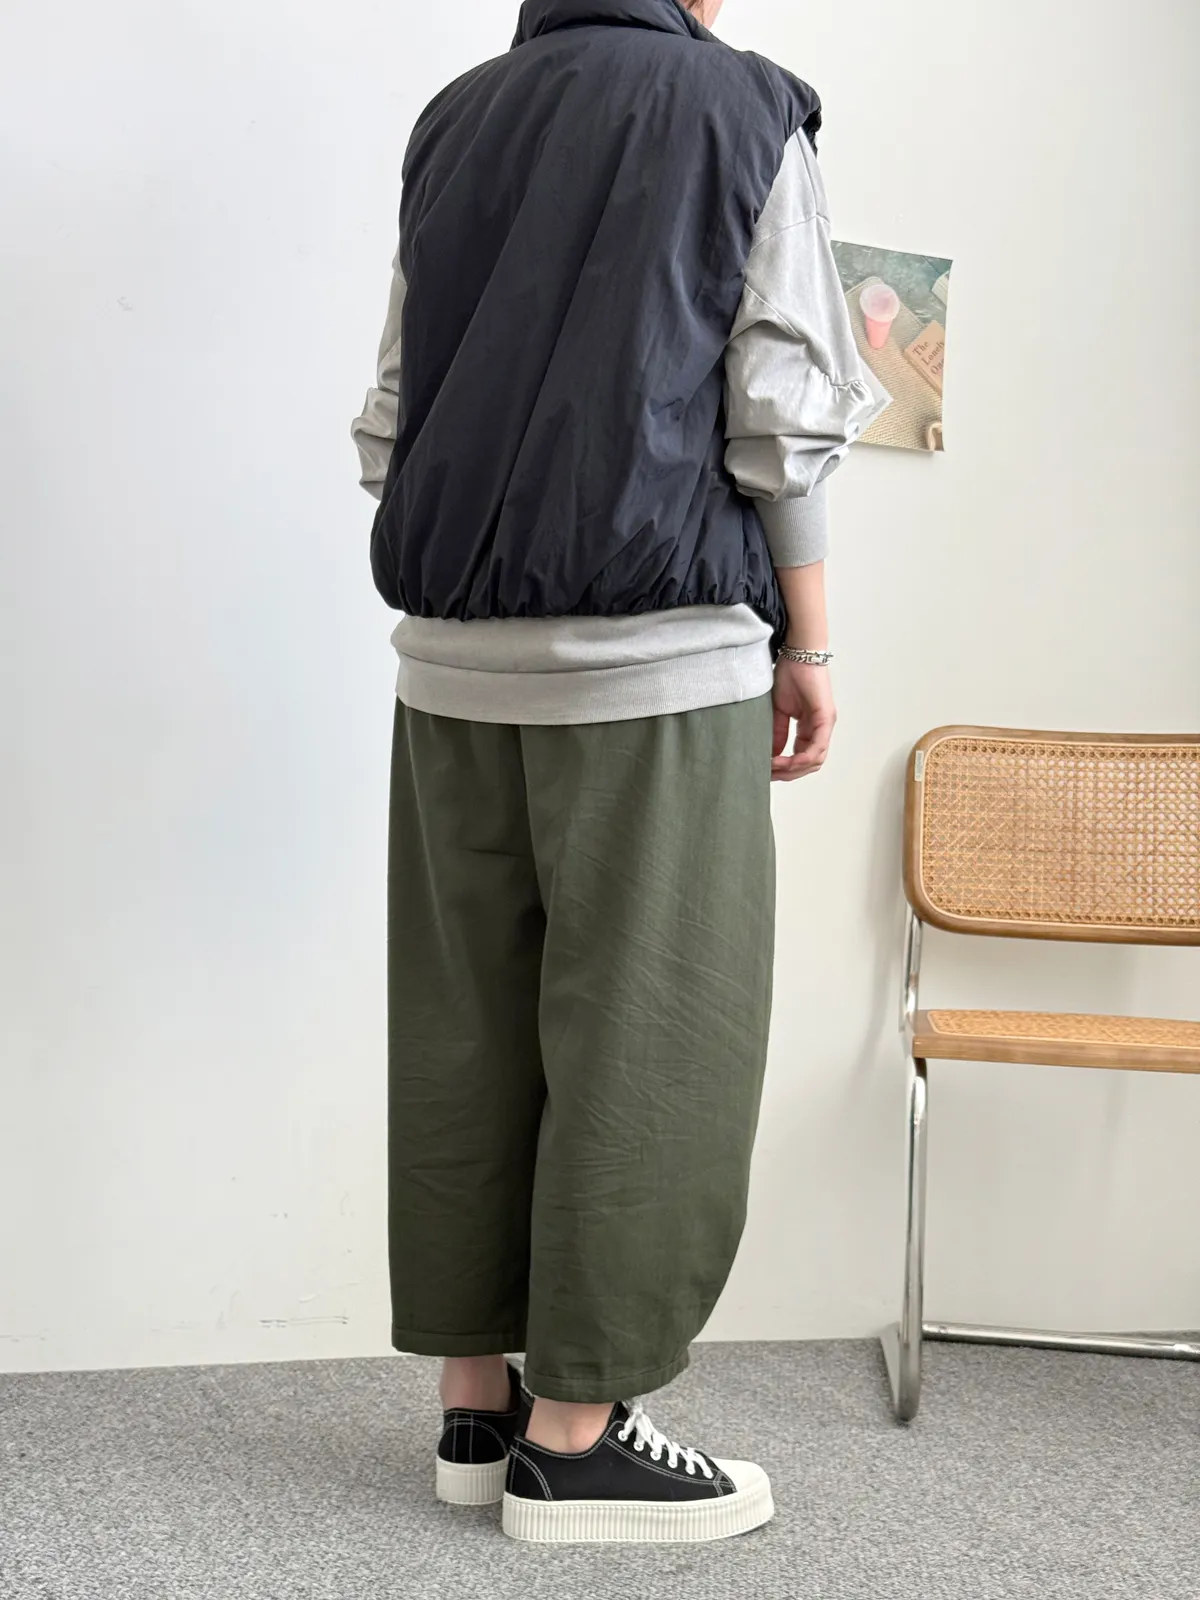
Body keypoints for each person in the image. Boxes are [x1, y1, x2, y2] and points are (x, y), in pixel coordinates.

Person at [351, 0, 881, 1546]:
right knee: (657, 1034)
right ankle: (576, 1441)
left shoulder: (456, 119)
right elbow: (783, 408)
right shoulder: (744, 107)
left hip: (450, 666)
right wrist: (810, 643)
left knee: (466, 1027)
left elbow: (392, 414)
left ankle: (476, 1404)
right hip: (654, 662)